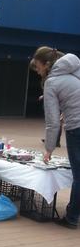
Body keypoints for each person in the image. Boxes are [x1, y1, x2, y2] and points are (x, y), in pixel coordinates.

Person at [31, 46, 80, 229]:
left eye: (38, 66)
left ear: (47, 64)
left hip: (77, 127)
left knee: (79, 176)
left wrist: (49, 149)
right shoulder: (74, 71)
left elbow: (52, 122)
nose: (37, 71)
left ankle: (72, 217)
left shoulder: (52, 82)